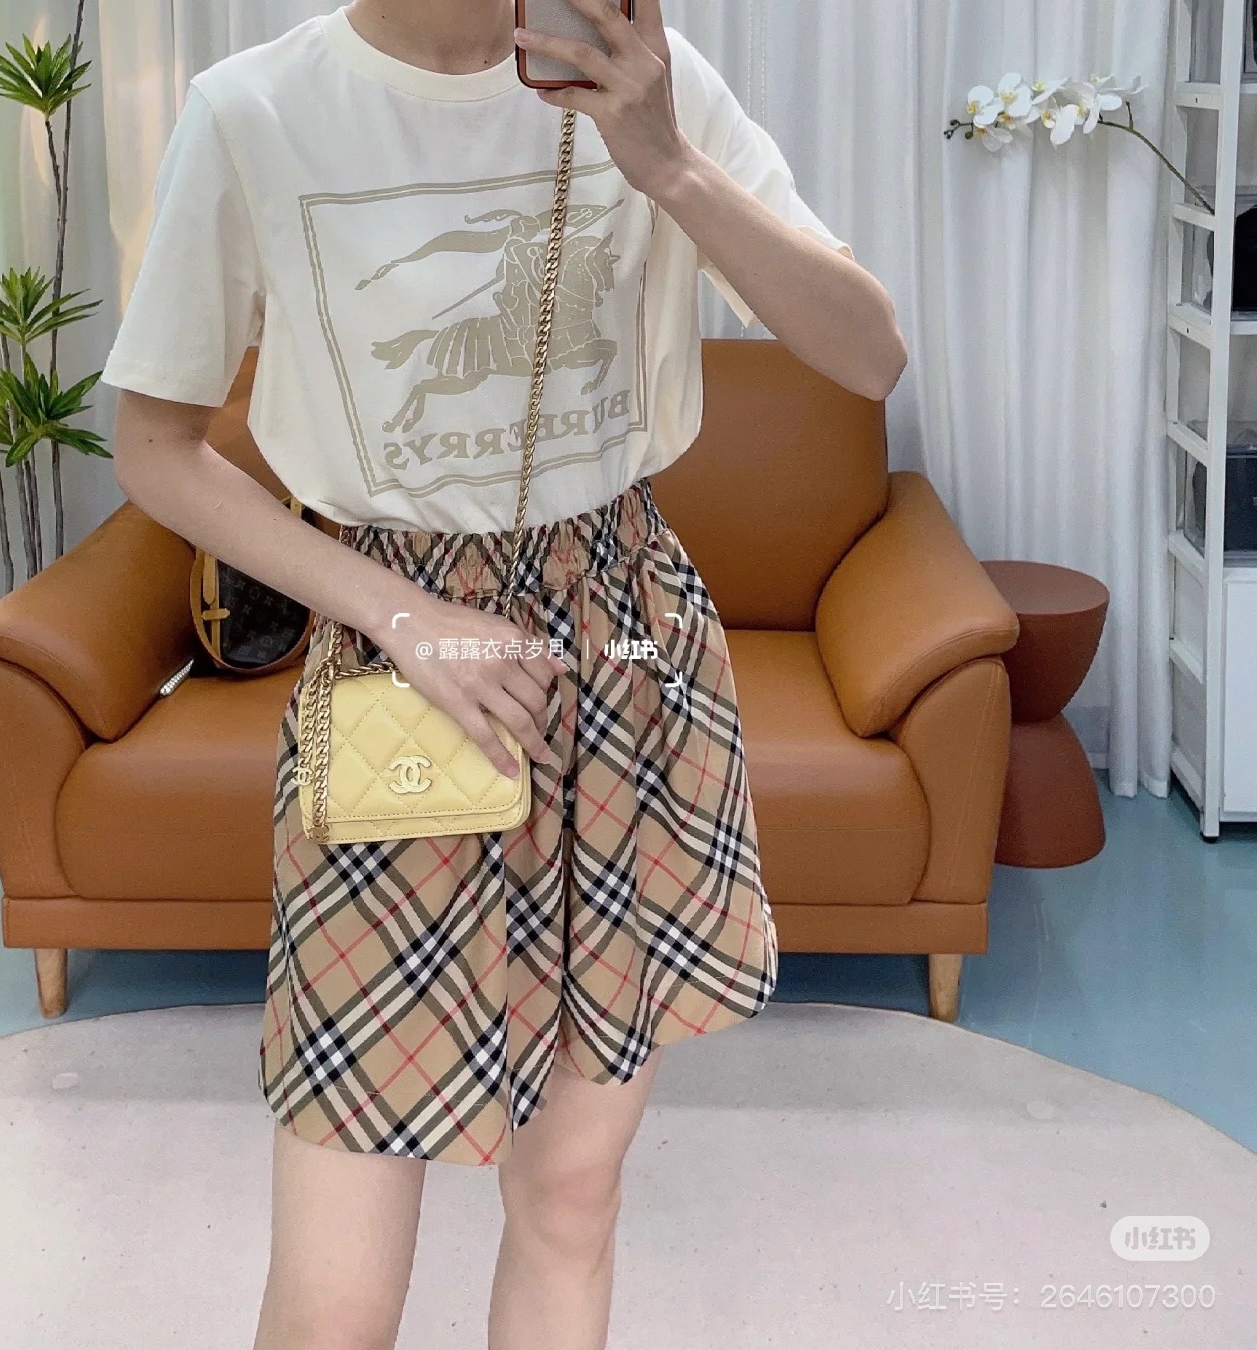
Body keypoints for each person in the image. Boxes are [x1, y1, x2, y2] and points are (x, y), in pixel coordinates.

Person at [101, 1, 907, 1345]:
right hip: (392, 655)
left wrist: (668, 163)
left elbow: (868, 354)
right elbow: (154, 445)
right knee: (341, 1274)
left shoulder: (639, 78)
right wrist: (405, 615)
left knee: (571, 1195)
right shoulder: (255, 111)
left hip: (625, 639)